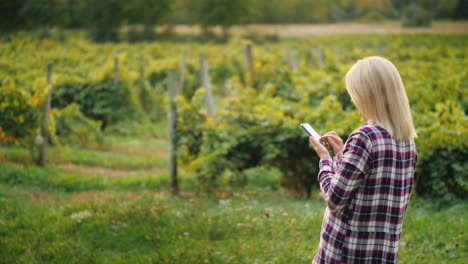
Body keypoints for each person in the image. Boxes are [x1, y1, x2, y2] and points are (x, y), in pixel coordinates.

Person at [308, 56, 418, 263]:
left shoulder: (365, 137)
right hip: (381, 253)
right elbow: (368, 182)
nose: (352, 100)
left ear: (368, 95)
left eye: (354, 94)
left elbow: (334, 199)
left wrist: (325, 159)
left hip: (346, 252)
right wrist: (343, 154)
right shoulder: (407, 141)